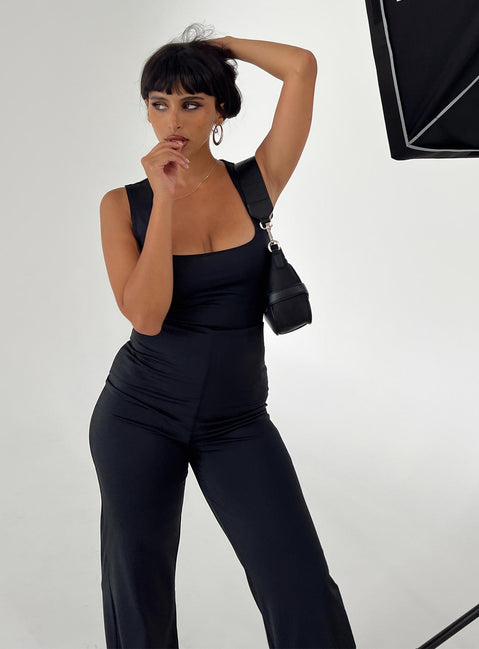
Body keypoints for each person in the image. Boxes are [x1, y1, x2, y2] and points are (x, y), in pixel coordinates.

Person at [89, 24, 356, 649]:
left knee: (298, 582)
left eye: (191, 102)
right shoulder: (122, 205)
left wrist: (223, 48)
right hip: (138, 416)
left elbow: (301, 67)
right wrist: (164, 200)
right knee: (139, 593)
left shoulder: (255, 182)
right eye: (159, 103)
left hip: (237, 422)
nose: (172, 119)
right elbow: (145, 316)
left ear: (220, 112)